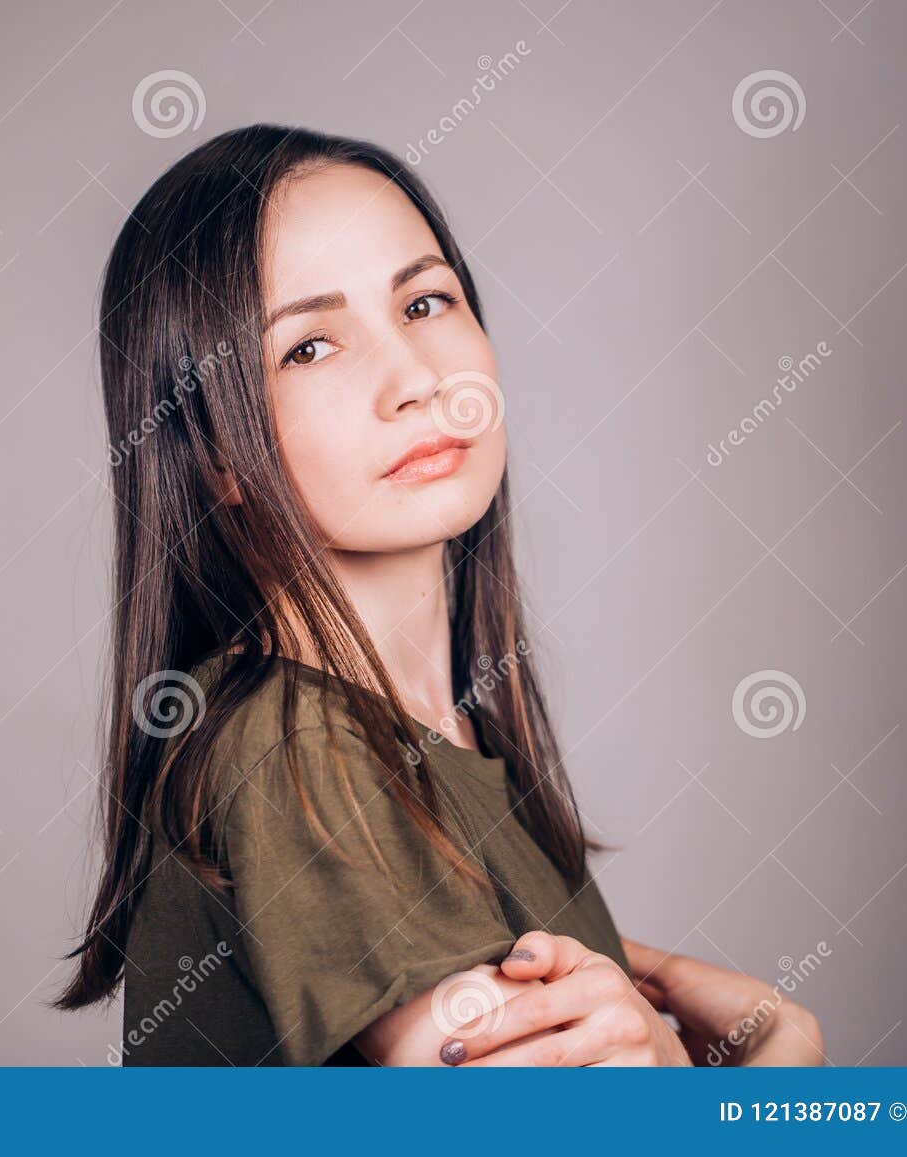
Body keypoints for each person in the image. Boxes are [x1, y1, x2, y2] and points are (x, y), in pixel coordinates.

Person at [55, 124, 824, 1068]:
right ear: (214, 453)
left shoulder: (446, 747)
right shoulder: (296, 746)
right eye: (309, 347)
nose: (416, 379)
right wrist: (773, 1067)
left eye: (424, 301)